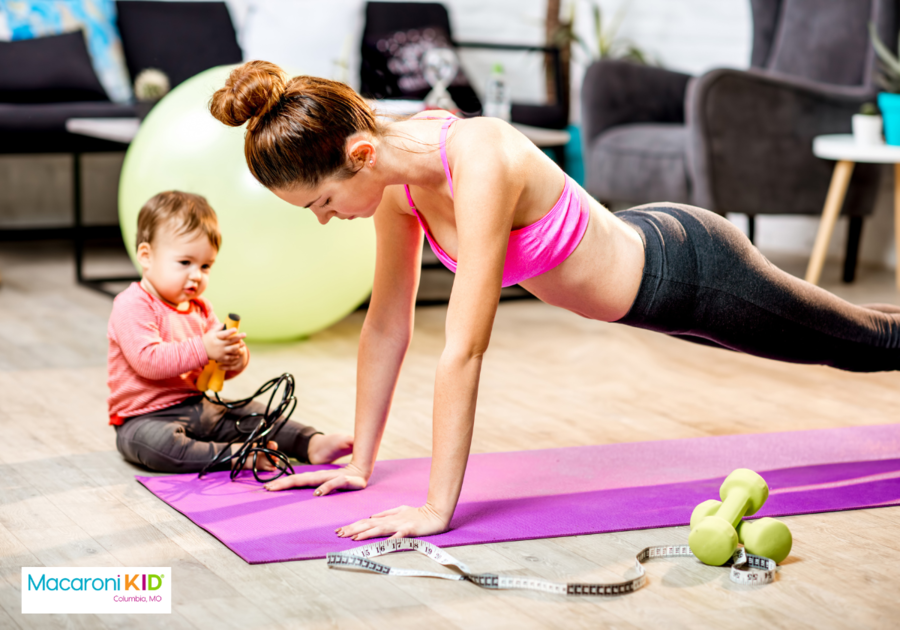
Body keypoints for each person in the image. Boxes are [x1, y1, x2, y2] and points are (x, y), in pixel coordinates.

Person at [208, 61, 900, 540]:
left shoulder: (478, 157)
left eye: (321, 203)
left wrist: (435, 509)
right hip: (653, 290)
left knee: (867, 343)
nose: (325, 220)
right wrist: (361, 463)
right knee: (866, 332)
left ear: (358, 154)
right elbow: (387, 325)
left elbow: (466, 345)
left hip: (690, 272)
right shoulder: (395, 185)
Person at [108, 190, 353, 473]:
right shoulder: (132, 304)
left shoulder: (200, 307)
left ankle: (310, 443)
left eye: (206, 265)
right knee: (158, 446)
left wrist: (234, 358)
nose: (197, 275)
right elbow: (148, 361)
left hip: (199, 406)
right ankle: (238, 455)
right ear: (146, 256)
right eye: (185, 263)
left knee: (252, 413)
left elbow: (214, 369)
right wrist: (205, 348)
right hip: (144, 419)